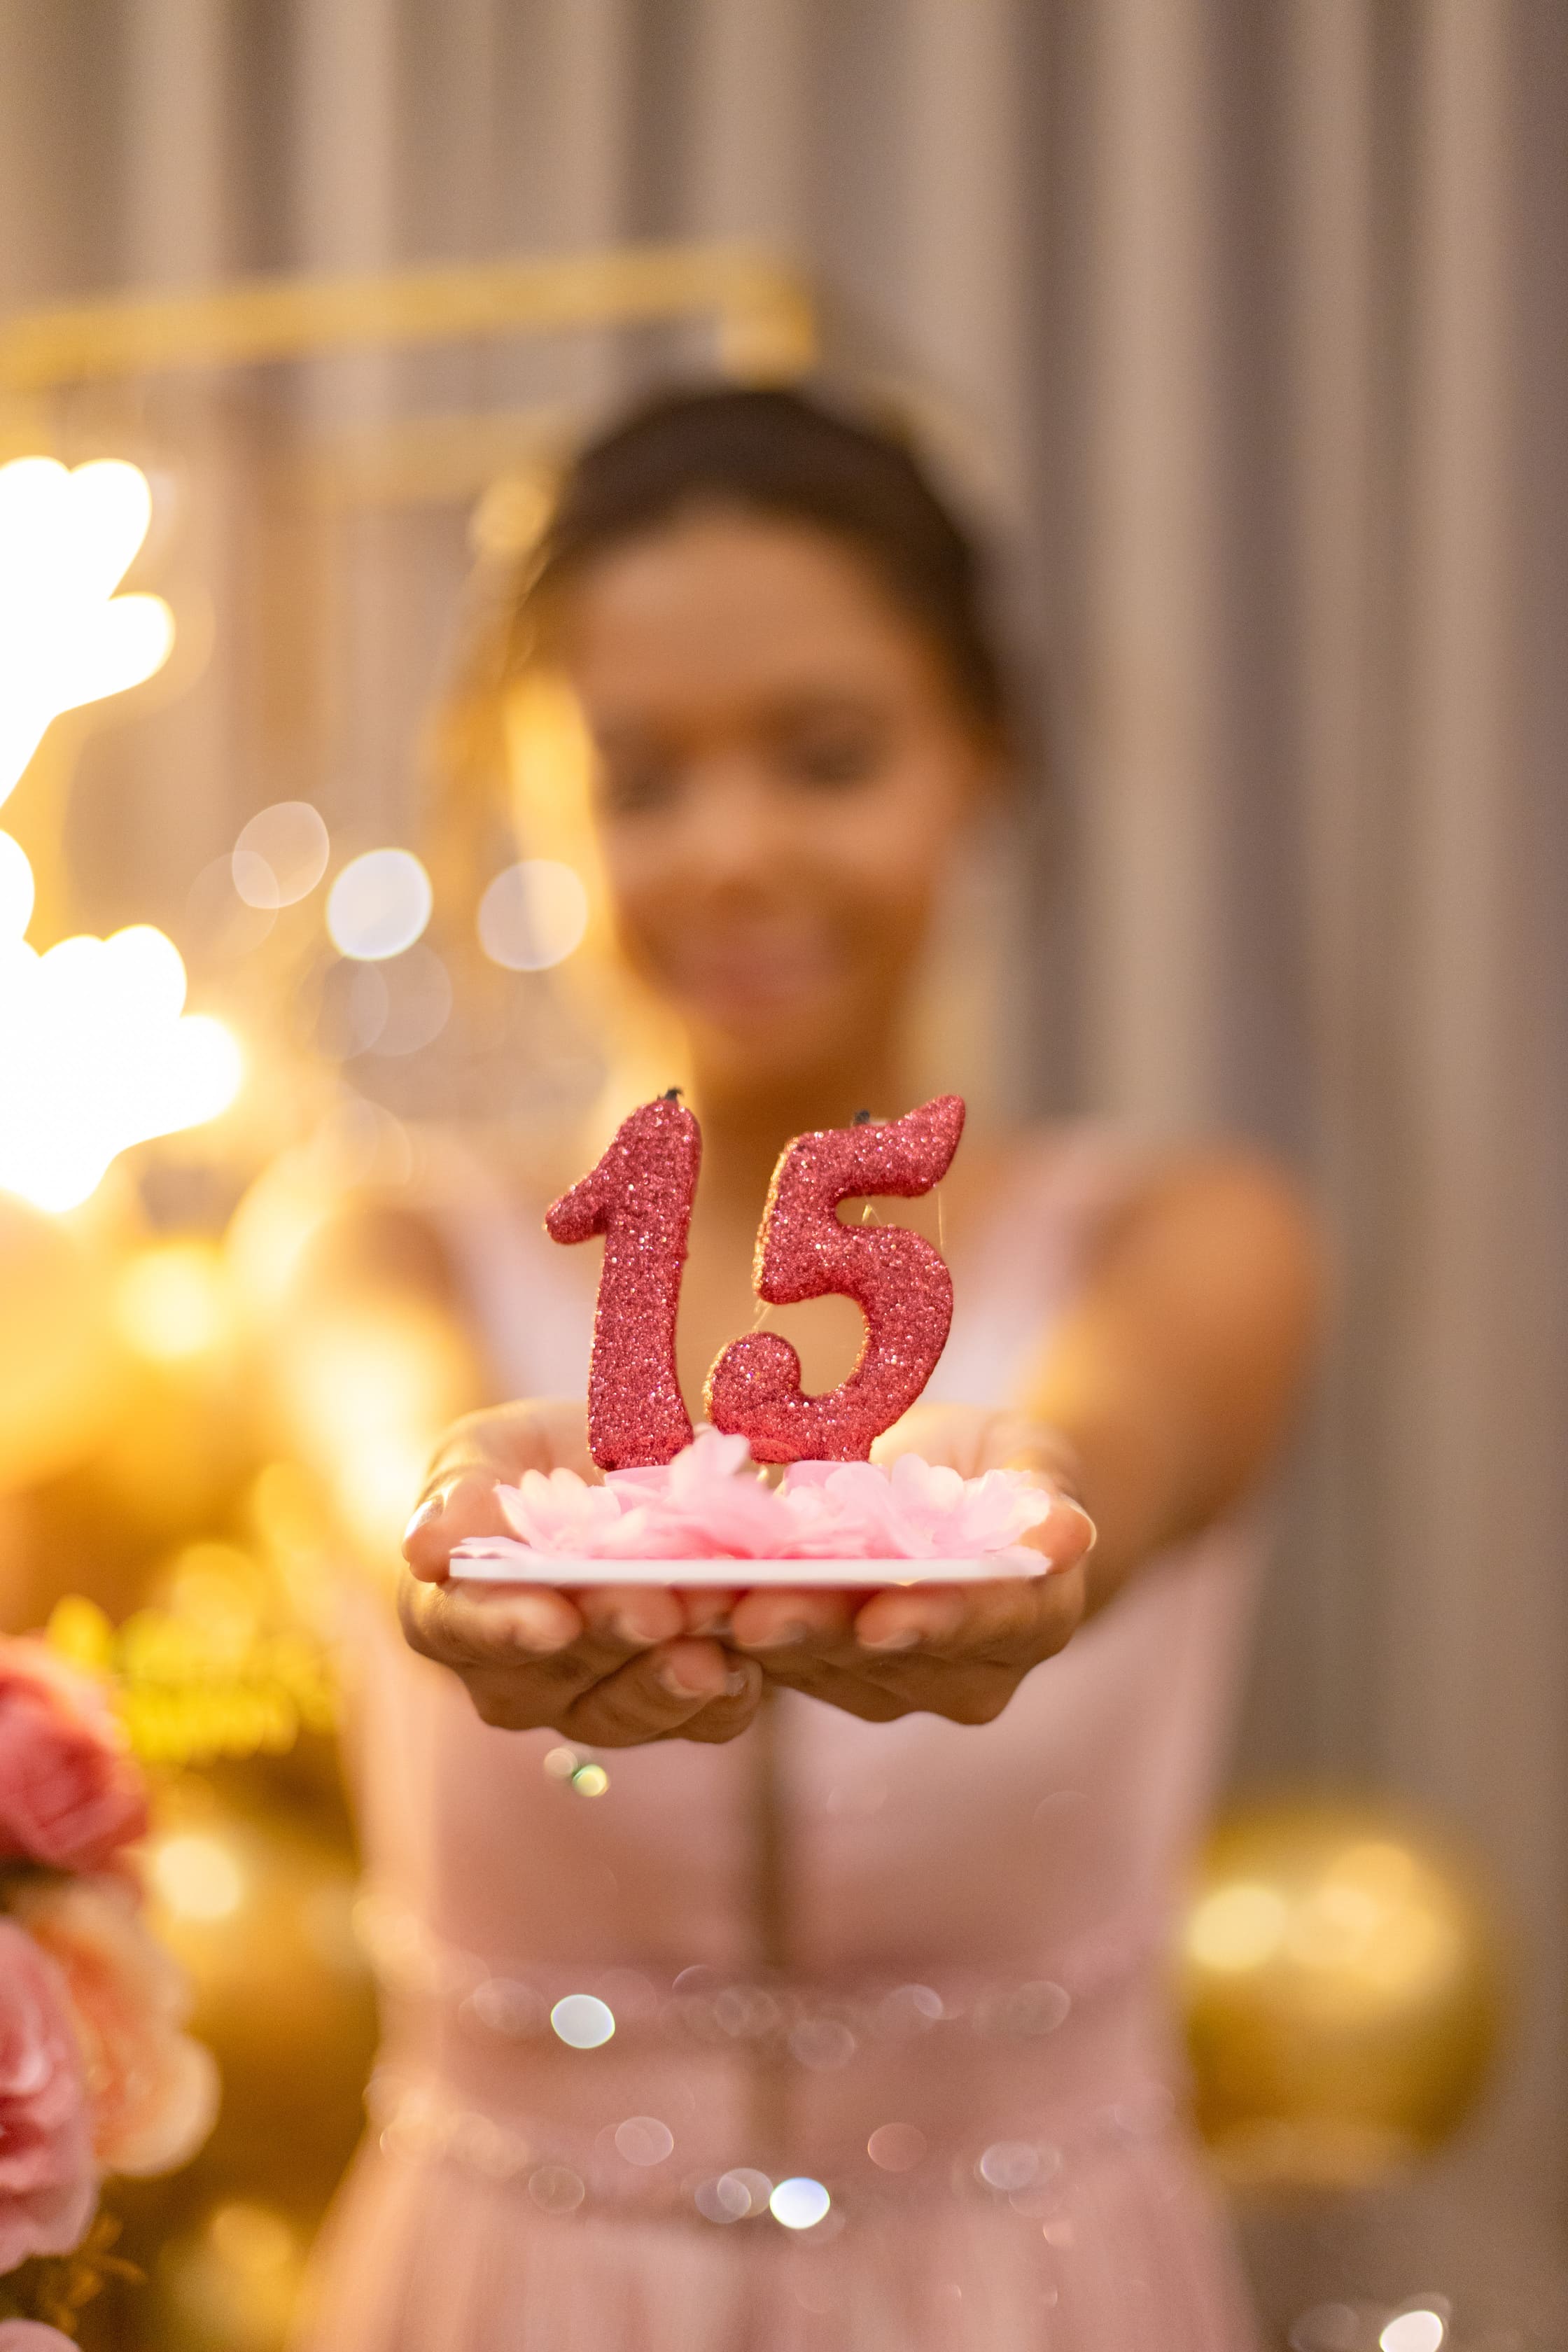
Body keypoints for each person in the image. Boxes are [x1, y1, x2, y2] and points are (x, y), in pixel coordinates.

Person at [291, 386, 1320, 2351]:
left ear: (978, 760)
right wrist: (456, 1523)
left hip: (1038, 2301)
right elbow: (389, 1454)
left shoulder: (1190, 1239)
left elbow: (1119, 1436)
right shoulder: (374, 1244)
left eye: (827, 759)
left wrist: (1037, 1507)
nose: (736, 851)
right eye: (640, 780)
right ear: (526, 806)